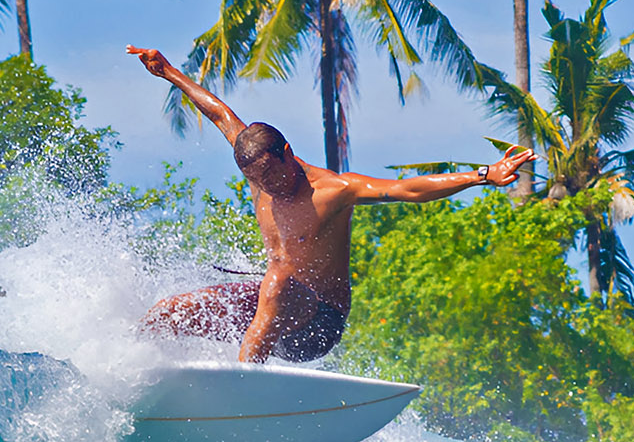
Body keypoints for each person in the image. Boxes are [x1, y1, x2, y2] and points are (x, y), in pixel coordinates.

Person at [128, 44, 535, 363]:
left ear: (288, 153)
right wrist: (167, 72)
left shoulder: (335, 190)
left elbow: (410, 189)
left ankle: (243, 387)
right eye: (257, 181)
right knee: (171, 310)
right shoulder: (257, 169)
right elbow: (220, 114)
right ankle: (129, 369)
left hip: (318, 325)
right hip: (271, 314)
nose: (268, 186)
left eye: (272, 175)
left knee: (278, 279)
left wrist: (484, 174)